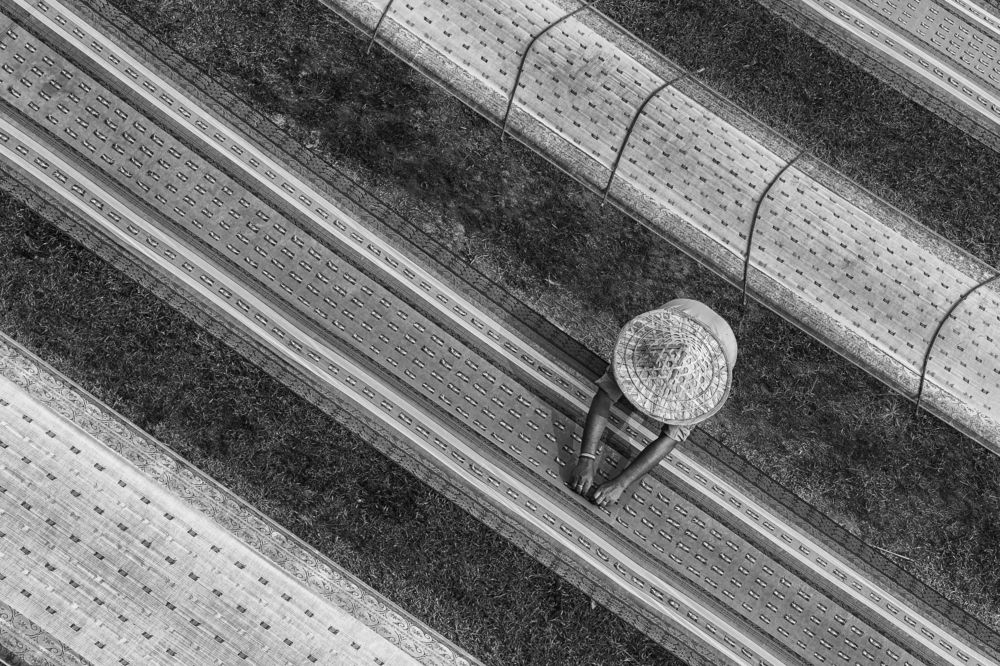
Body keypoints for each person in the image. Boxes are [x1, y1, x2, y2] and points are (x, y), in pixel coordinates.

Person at [570, 299, 737, 508]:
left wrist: (622, 483)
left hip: (724, 341)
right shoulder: (649, 348)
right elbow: (604, 396)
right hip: (682, 310)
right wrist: (586, 457)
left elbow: (671, 437)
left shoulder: (702, 384)